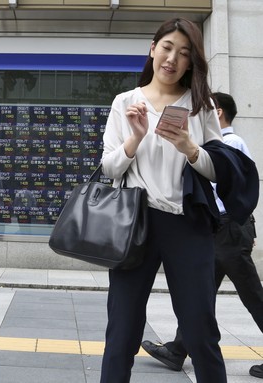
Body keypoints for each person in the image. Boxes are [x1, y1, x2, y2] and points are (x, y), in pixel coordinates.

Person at [100, 18, 228, 382]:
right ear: (152, 49)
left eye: (184, 53)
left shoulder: (200, 106)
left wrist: (188, 147)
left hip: (187, 225)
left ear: (191, 63)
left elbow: (217, 170)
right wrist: (135, 138)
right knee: (121, 334)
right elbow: (109, 169)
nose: (172, 58)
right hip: (134, 224)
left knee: (201, 331)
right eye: (167, 48)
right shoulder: (125, 102)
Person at [141, 92, 262, 377]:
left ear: (217, 114)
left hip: (229, 228)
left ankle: (178, 349)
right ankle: (177, 349)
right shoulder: (226, 144)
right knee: (200, 294)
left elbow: (235, 190)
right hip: (223, 228)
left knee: (252, 294)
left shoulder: (228, 143)